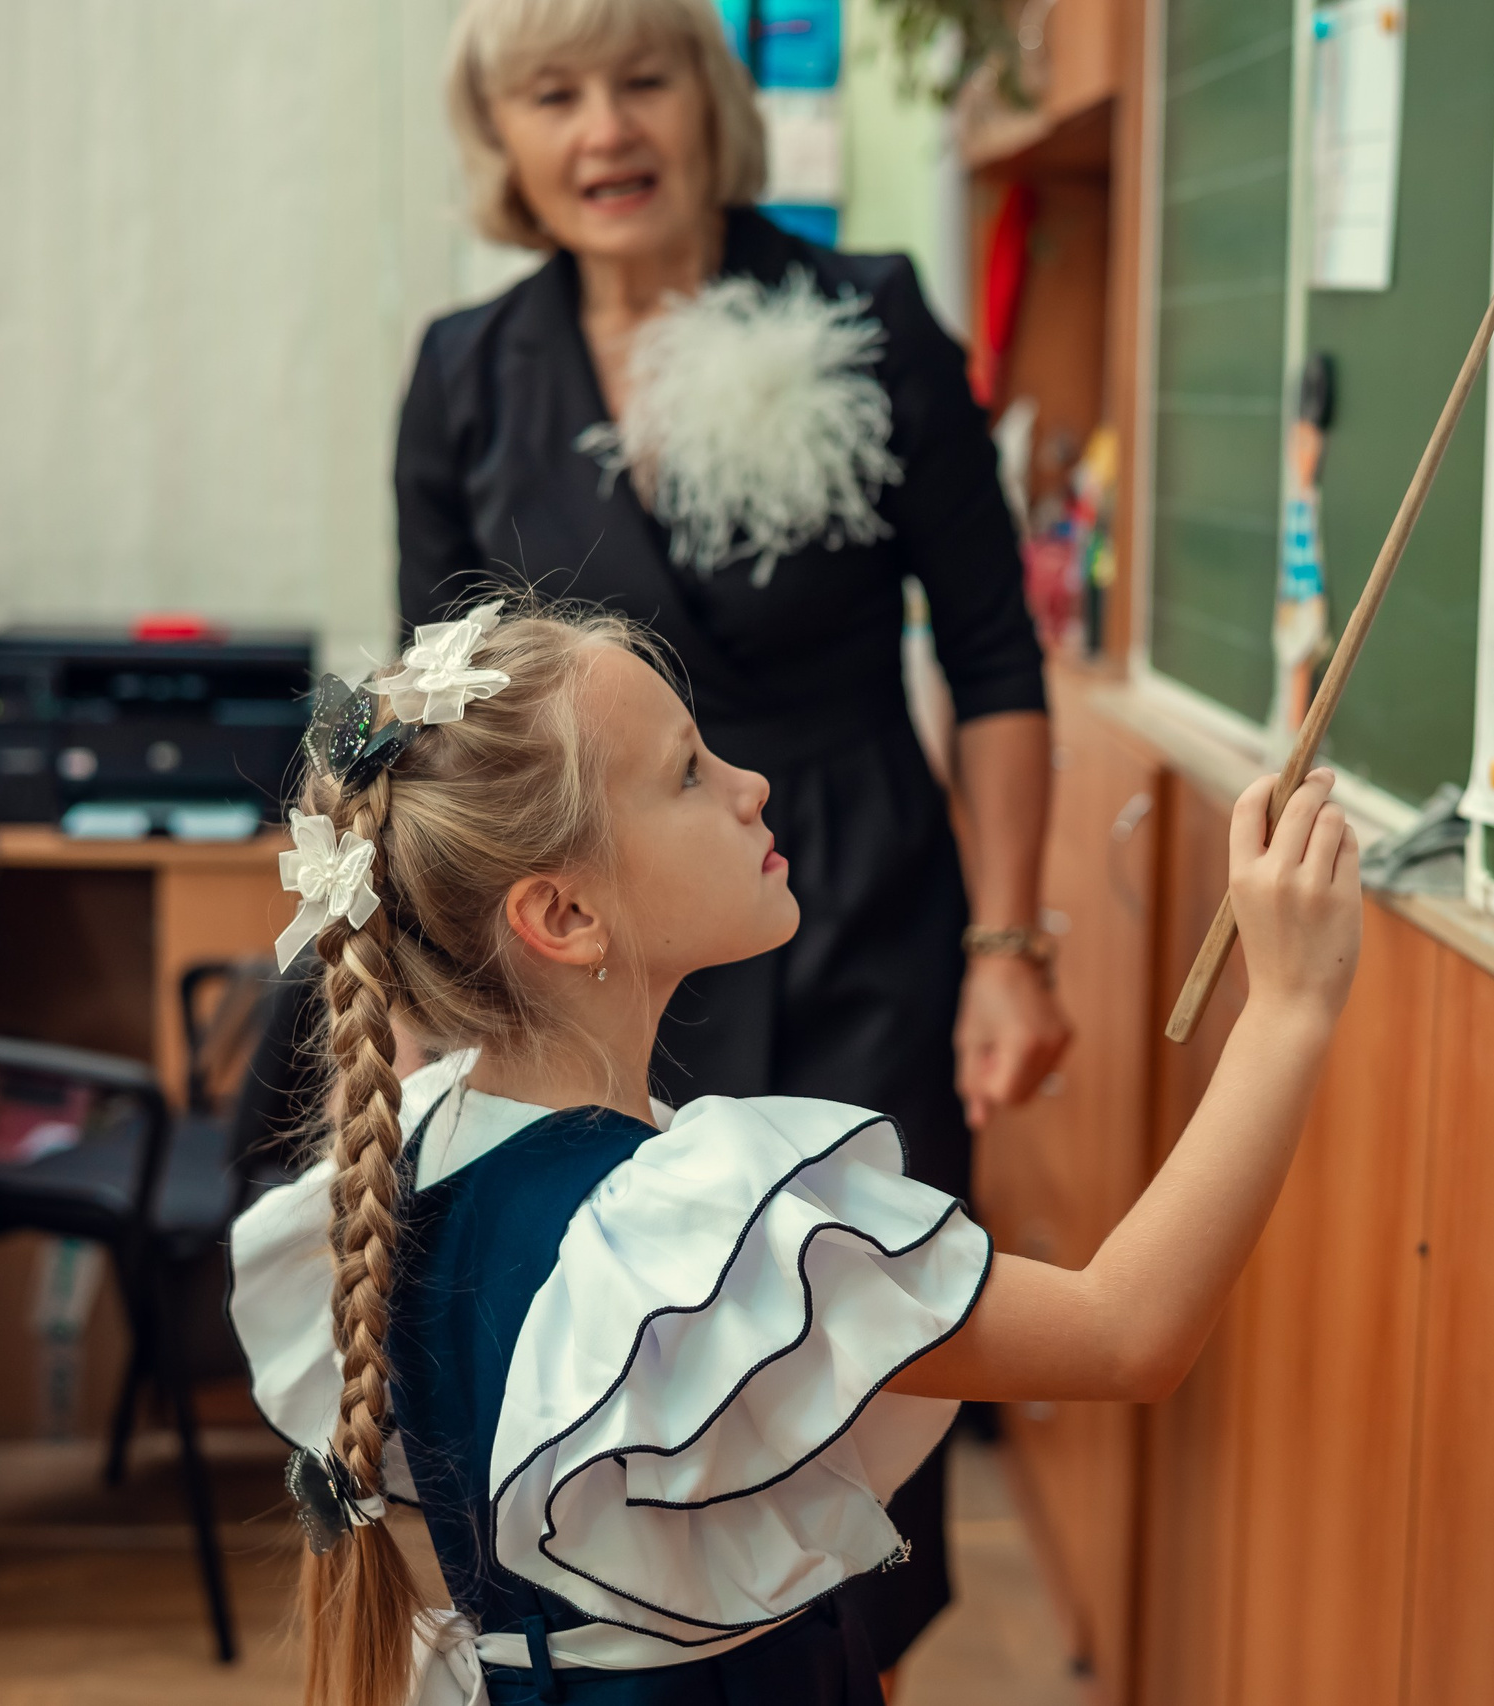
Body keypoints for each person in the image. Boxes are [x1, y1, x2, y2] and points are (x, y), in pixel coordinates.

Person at [226, 603, 1359, 1705]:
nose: (751, 784)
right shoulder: (699, 1232)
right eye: (688, 772)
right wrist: (1290, 1006)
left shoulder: (416, 1149)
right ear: (563, 916)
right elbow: (1124, 1332)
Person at [395, 7, 1067, 1651]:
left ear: (708, 101)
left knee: (869, 1384)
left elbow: (994, 656)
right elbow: (441, 733)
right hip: (597, 972)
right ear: (503, 136)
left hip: (857, 918)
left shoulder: (871, 316)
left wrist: (1007, 947)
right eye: (555, 94)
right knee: (647, 1415)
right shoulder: (464, 374)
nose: (605, 130)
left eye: (643, 80)